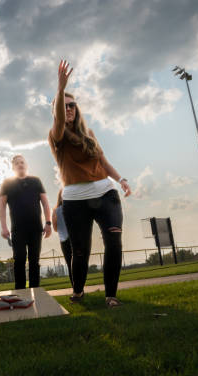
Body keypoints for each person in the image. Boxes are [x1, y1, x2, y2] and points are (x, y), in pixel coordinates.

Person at [48, 60, 132, 308]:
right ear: (56, 112)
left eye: (72, 105)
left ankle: (111, 295)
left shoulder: (90, 134)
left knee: (113, 241)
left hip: (106, 194)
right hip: (75, 200)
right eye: (63, 106)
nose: (69, 109)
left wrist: (121, 179)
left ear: (77, 108)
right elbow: (60, 122)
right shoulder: (56, 135)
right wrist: (61, 89)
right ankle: (78, 290)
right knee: (80, 250)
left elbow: (103, 161)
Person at [0, 155, 52, 289]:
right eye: (17, 163)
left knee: (34, 261)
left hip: (36, 228)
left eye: (22, 162)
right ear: (13, 167)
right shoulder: (7, 183)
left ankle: (36, 291)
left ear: (26, 165)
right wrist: (4, 227)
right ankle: (20, 292)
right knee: (20, 260)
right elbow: (2, 207)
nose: (20, 164)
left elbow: (45, 204)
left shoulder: (36, 181)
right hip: (18, 229)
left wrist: (48, 222)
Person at [52, 189, 72, 286]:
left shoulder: (56, 210)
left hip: (66, 239)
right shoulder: (56, 210)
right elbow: (55, 228)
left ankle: (77, 289)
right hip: (69, 239)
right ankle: (77, 289)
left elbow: (55, 228)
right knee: (74, 263)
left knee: (71, 264)